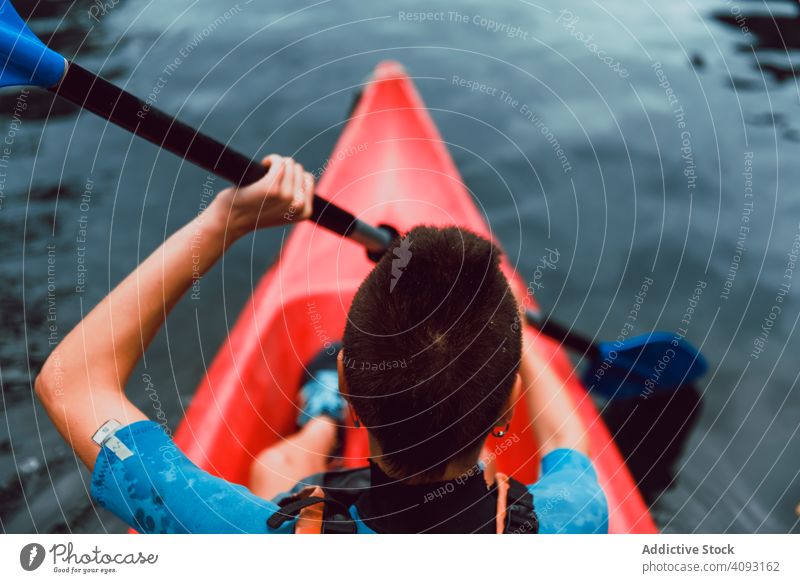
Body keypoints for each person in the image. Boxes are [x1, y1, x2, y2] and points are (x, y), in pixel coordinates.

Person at [36, 155, 608, 534]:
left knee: (280, 473)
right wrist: (513, 331)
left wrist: (223, 224)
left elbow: (71, 383)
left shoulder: (235, 538)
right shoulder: (570, 521)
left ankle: (323, 422)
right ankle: (326, 425)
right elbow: (566, 441)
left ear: (353, 382)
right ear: (508, 404)